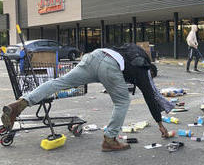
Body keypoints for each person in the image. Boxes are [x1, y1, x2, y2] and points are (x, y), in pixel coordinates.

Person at [1, 43, 174, 152]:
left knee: (59, 82)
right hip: (109, 65)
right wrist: (161, 125)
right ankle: (110, 139)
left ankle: (22, 103)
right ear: (151, 71)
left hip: (94, 56)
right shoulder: (144, 71)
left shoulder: (134, 51)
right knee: (122, 101)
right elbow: (150, 97)